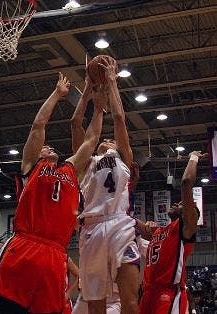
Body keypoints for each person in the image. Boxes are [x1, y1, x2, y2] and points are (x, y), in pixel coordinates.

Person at [0, 72, 105, 314]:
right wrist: (57, 94)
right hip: (24, 246)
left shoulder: (71, 170)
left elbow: (91, 140)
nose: (49, 147)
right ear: (37, 153)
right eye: (45, 146)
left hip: (54, 255)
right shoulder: (31, 166)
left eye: (50, 146)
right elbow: (38, 125)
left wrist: (99, 108)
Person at [77, 57, 140, 314]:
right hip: (91, 227)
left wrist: (113, 82)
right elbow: (75, 125)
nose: (107, 139)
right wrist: (91, 99)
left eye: (111, 141)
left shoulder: (123, 158)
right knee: (96, 307)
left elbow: (120, 120)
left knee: (131, 303)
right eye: (104, 139)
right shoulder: (86, 161)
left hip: (119, 225)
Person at [139, 151, 206, 314]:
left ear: (191, 214)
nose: (177, 203)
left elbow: (186, 183)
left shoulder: (185, 228)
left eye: (183, 203)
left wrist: (193, 157)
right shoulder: (161, 231)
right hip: (148, 293)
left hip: (167, 293)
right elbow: (128, 222)